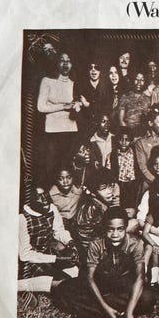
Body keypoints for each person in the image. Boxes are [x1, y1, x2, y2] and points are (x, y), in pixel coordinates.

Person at [52, 207, 153, 318]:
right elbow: (89, 278)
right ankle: (110, 311)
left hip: (123, 286)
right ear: (104, 228)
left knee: (148, 298)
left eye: (120, 229)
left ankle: (117, 311)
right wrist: (106, 308)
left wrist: (129, 312)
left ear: (126, 227)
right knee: (63, 290)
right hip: (101, 285)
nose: (115, 235)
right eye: (110, 229)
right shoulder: (96, 244)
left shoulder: (135, 244)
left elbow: (140, 277)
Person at [18, 186, 79, 293]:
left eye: (45, 194)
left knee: (75, 270)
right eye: (38, 196)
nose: (44, 199)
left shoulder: (52, 208)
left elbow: (58, 231)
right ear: (29, 200)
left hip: (48, 253)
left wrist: (70, 242)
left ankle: (46, 285)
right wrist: (56, 259)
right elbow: (25, 255)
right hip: (31, 261)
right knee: (62, 281)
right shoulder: (22, 218)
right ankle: (22, 286)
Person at [37, 52, 81, 187]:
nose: (65, 63)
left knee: (69, 166)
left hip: (71, 130)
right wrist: (63, 106)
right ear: (57, 63)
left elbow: (79, 104)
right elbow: (41, 107)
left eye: (68, 60)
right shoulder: (47, 81)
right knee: (51, 167)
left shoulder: (74, 83)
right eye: (62, 60)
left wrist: (77, 105)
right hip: (52, 130)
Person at [73, 168, 121, 255]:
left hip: (98, 243)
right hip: (91, 249)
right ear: (93, 191)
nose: (109, 191)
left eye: (111, 186)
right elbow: (85, 239)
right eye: (103, 189)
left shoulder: (100, 203)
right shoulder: (91, 207)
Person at [134, 108, 159, 186]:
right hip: (149, 183)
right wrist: (156, 182)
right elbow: (143, 168)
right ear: (150, 123)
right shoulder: (140, 143)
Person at [106, 127, 140, 211]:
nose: (124, 143)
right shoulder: (111, 156)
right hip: (118, 187)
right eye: (121, 139)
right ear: (117, 140)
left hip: (132, 187)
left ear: (131, 141)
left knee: (131, 210)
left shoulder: (136, 154)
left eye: (127, 140)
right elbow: (108, 174)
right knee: (118, 210)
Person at [75, 60, 104, 141]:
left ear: (100, 71)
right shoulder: (81, 86)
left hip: (101, 128)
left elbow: (106, 107)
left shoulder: (106, 87)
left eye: (96, 67)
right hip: (85, 128)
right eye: (91, 68)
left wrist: (88, 104)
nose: (93, 70)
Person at [49, 164, 82, 233]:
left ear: (73, 177)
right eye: (60, 179)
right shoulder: (50, 195)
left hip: (76, 225)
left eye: (69, 177)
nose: (65, 182)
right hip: (59, 226)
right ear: (56, 179)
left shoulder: (78, 191)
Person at [118, 71, 151, 136]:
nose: (139, 82)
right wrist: (128, 134)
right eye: (137, 79)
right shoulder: (125, 97)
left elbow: (147, 121)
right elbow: (121, 120)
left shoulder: (148, 99)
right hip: (126, 133)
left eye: (142, 80)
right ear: (132, 80)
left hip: (141, 134)